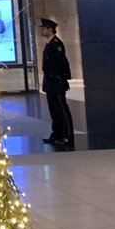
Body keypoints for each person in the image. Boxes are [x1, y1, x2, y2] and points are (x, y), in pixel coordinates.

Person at [40, 17, 74, 149]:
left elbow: (62, 63)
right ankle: (57, 134)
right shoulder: (49, 44)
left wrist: (63, 77)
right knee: (53, 110)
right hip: (50, 81)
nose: (42, 30)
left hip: (57, 82)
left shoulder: (56, 44)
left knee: (61, 109)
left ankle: (66, 135)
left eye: (44, 28)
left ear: (50, 29)